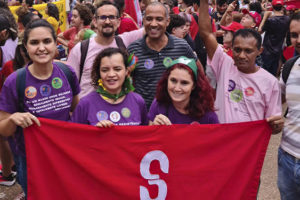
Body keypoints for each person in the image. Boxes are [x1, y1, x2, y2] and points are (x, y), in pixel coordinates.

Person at [0, 19, 80, 197]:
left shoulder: (67, 72)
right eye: (34, 43)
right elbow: (3, 130)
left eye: (46, 41)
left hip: (64, 153)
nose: (41, 48)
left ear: (55, 44)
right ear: (25, 48)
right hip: (30, 159)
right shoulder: (15, 81)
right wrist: (13, 119)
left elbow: (78, 111)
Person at [198, 0, 283, 132]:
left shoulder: (271, 83)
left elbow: (274, 126)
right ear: (232, 48)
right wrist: (203, 2)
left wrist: (277, 125)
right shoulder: (224, 64)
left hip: (247, 149)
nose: (242, 55)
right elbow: (206, 33)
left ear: (259, 51)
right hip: (220, 142)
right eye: (237, 50)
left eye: (248, 51)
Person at [67, 1, 144, 99]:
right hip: (88, 111)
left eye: (112, 17)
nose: (107, 21)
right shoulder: (81, 49)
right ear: (94, 21)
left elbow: (151, 28)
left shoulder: (124, 41)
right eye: (103, 17)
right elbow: (69, 84)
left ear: (118, 21)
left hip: (118, 109)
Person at [128, 2, 197, 109]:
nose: (153, 24)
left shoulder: (182, 47)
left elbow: (199, 77)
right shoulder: (133, 50)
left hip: (175, 118)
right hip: (144, 118)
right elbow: (126, 83)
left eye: (159, 19)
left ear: (167, 21)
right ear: (143, 20)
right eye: (149, 19)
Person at [72, 47, 148, 126]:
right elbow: (74, 135)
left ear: (126, 71)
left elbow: (145, 134)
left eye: (117, 69)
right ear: (99, 73)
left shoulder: (138, 101)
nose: (111, 75)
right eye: (105, 70)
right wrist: (94, 133)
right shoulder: (85, 104)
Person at [148, 56, 218, 125]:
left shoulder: (208, 115)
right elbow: (149, 134)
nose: (177, 88)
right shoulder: (159, 104)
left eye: (184, 83)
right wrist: (154, 127)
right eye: (173, 80)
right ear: (167, 80)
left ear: (194, 86)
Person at [277, 12, 300, 200]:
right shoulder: (290, 67)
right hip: (287, 157)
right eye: (294, 35)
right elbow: (275, 100)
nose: (298, 40)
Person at [258, 0, 290, 76]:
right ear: (282, 7)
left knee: (264, 72)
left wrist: (265, 17)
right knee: (273, 72)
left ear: (272, 7)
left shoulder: (270, 20)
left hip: (267, 49)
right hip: (278, 49)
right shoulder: (287, 19)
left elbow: (260, 30)